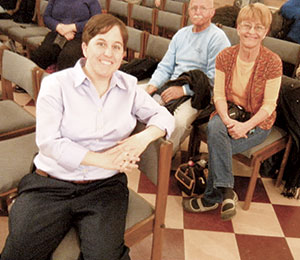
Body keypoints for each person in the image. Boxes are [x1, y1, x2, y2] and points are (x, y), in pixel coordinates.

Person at [0, 13, 174, 260]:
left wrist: (142, 138)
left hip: (104, 189)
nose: (109, 53)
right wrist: (105, 160)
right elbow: (49, 144)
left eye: (117, 47)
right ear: (85, 47)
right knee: (18, 253)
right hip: (52, 182)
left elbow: (164, 116)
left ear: (124, 54)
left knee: (104, 256)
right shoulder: (56, 85)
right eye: (101, 43)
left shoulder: (129, 87)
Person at [183, 3, 282, 221]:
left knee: (219, 146)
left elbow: (269, 105)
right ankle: (227, 192)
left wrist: (245, 126)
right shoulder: (225, 56)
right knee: (215, 125)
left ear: (265, 32)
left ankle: (212, 197)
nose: (251, 32)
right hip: (230, 113)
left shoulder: (273, 62)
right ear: (238, 27)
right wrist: (227, 120)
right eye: (247, 25)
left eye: (258, 27)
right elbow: (218, 95)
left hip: (257, 123)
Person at [145, 0, 230, 154]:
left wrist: (184, 91)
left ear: (212, 12)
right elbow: (165, 67)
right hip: (174, 84)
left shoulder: (218, 39)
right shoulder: (181, 34)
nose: (198, 11)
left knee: (180, 121)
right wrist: (151, 86)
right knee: (140, 101)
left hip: (199, 93)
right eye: (194, 8)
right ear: (188, 11)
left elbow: (214, 79)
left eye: (203, 8)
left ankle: (164, 158)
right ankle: (145, 150)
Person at [30, 0, 101, 71]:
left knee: (67, 56)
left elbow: (96, 21)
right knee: (41, 54)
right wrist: (59, 27)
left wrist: (73, 27)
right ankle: (38, 79)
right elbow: (47, 17)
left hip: (81, 36)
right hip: (58, 33)